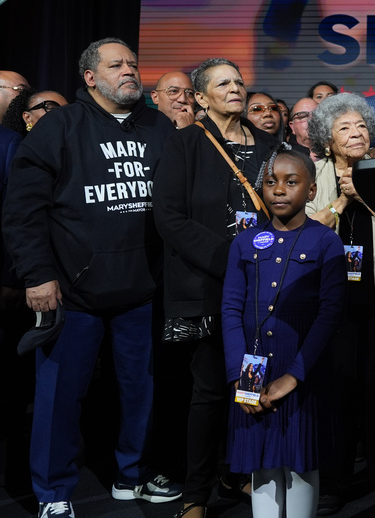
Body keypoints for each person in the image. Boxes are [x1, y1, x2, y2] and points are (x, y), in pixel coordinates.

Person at [2, 37, 179, 518]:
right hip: (70, 290)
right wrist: (37, 275)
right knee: (60, 397)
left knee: (141, 390)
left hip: (142, 288)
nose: (129, 71)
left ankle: (132, 476)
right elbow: (23, 211)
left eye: (133, 64)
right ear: (90, 77)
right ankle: (53, 491)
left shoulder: (159, 128)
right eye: (116, 64)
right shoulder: (59, 126)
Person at [154, 57, 278, 518]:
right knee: (209, 391)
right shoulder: (185, 143)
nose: (236, 88)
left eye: (240, 81)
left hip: (265, 287)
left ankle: (239, 472)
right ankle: (195, 495)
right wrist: (231, 258)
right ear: (200, 98)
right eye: (223, 83)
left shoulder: (271, 144)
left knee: (252, 388)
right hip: (208, 285)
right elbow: (168, 216)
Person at [222, 144, 345, 518]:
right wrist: (240, 376)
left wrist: (294, 376)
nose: (278, 189)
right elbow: (230, 308)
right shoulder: (244, 241)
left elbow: (330, 313)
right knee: (261, 464)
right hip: (253, 377)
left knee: (300, 463)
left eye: (291, 182)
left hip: (302, 375)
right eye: (271, 182)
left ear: (310, 191)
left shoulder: (326, 242)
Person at [305, 93, 375, 510]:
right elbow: (306, 230)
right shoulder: (312, 174)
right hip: (330, 303)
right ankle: (334, 483)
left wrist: (367, 193)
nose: (356, 134)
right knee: (335, 393)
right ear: (327, 138)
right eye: (344, 129)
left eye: (361, 127)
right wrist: (342, 200)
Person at [2, 88, 68, 135]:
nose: (61, 114)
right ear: (27, 117)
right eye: (51, 108)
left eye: (67, 110)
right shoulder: (19, 150)